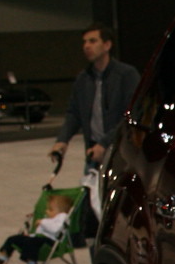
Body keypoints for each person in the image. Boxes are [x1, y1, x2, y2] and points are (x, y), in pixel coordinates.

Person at [49, 25, 139, 216]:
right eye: (84, 42)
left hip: (121, 153)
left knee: (119, 210)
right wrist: (62, 140)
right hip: (93, 155)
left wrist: (105, 143)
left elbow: (132, 115)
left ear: (107, 45)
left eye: (92, 41)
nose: (86, 46)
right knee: (91, 211)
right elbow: (73, 113)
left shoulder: (126, 75)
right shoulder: (83, 79)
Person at [0, 191, 74, 264]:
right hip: (38, 239)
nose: (47, 211)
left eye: (50, 209)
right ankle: (2, 260)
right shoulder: (50, 218)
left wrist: (42, 222)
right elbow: (40, 232)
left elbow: (55, 229)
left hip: (51, 242)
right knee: (12, 239)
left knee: (31, 242)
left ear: (61, 211)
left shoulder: (63, 217)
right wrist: (31, 235)